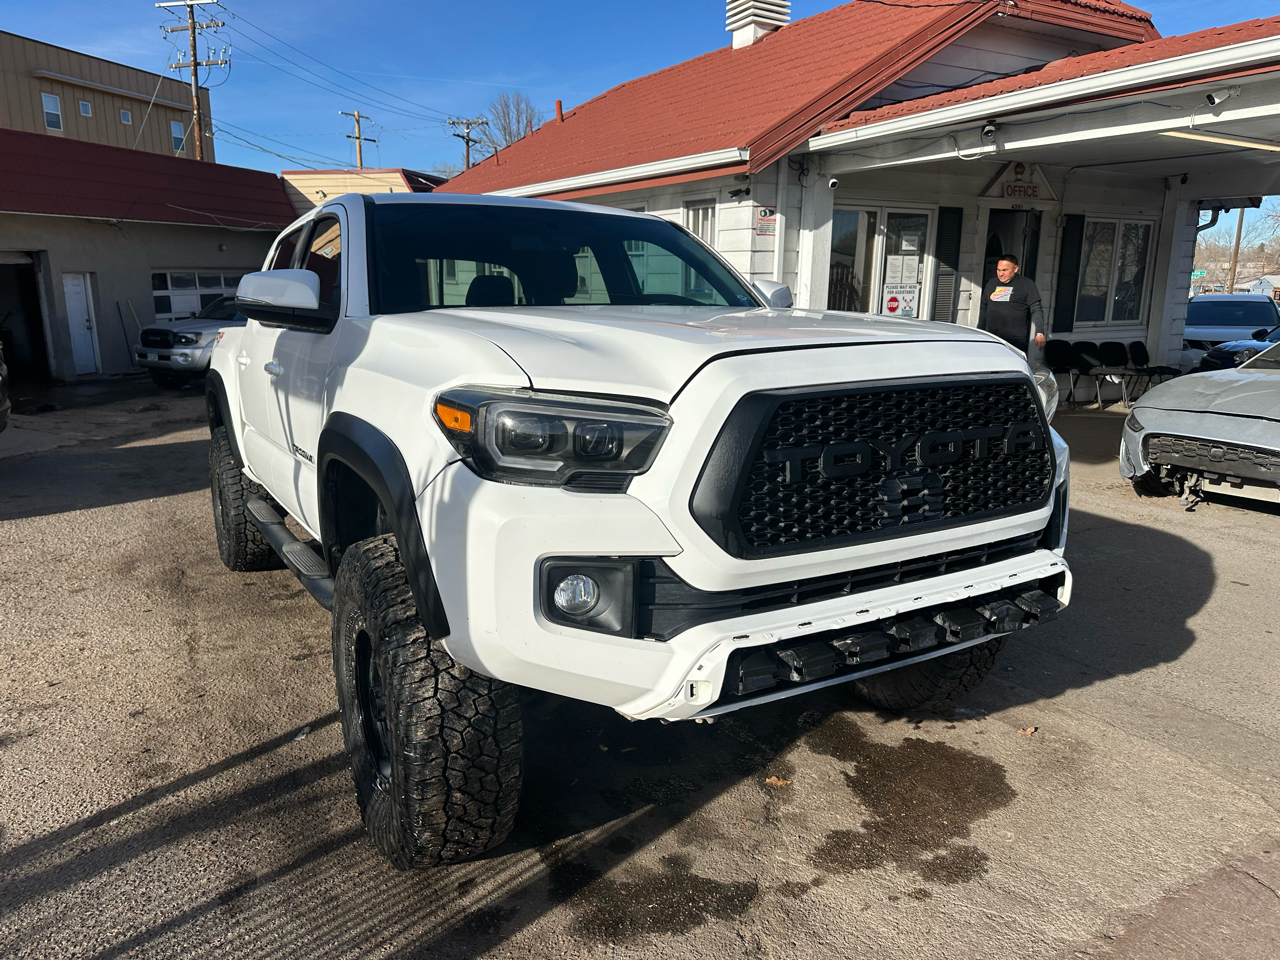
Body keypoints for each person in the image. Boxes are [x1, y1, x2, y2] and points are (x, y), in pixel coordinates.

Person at [977, 254, 1045, 356]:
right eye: (998, 270)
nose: (1000, 274)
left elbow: (1036, 309)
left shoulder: (1026, 284)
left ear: (1015, 269)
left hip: (1015, 340)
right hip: (992, 337)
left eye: (1004, 270)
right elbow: (983, 309)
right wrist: (979, 332)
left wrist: (1039, 332)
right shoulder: (991, 283)